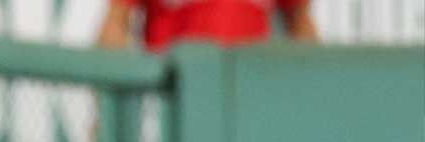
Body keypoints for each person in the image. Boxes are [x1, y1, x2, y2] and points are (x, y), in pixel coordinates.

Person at [97, 0, 319, 52]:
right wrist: (103, 109)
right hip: (172, 102)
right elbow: (116, 21)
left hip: (248, 100)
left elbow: (301, 23)